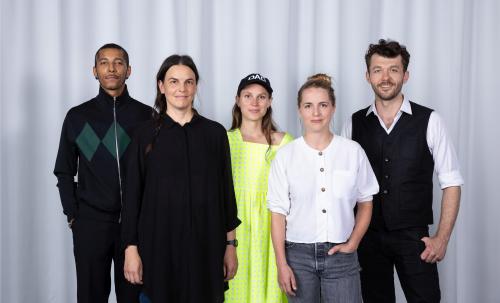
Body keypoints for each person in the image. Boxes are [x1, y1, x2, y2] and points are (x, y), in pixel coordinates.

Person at [341, 39, 464, 303]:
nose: (385, 78)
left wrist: (441, 238)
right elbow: (342, 184)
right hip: (367, 237)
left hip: (414, 237)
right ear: (368, 76)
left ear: (405, 75)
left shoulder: (430, 121)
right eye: (378, 70)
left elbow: (451, 182)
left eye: (393, 70)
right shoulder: (352, 124)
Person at [121, 54, 241, 303]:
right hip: (158, 248)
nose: (182, 89)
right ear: (161, 86)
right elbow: (132, 197)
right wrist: (130, 249)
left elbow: (225, 194)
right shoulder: (143, 135)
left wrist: (231, 246)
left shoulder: (214, 134)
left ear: (195, 86)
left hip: (205, 249)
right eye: (174, 81)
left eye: (189, 82)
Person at [54, 43, 152, 303]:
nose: (111, 68)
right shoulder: (77, 117)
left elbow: (156, 173)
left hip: (136, 226)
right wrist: (74, 215)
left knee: (134, 297)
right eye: (104, 62)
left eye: (118, 62)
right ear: (94, 71)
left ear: (129, 70)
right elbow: (64, 170)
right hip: (91, 225)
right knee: (91, 297)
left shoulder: (147, 116)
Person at [267, 74, 379, 303]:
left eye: (323, 105)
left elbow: (366, 201)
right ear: (299, 110)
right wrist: (282, 265)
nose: (316, 113)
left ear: (333, 108)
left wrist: (354, 242)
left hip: (342, 257)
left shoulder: (352, 151)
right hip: (298, 258)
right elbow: (277, 213)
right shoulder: (286, 156)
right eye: (308, 106)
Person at [225, 73, 293, 303]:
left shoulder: (284, 143)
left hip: (272, 226)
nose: (254, 103)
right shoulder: (224, 140)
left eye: (261, 97)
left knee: (271, 288)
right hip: (235, 228)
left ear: (270, 101)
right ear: (237, 99)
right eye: (248, 96)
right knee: (237, 289)